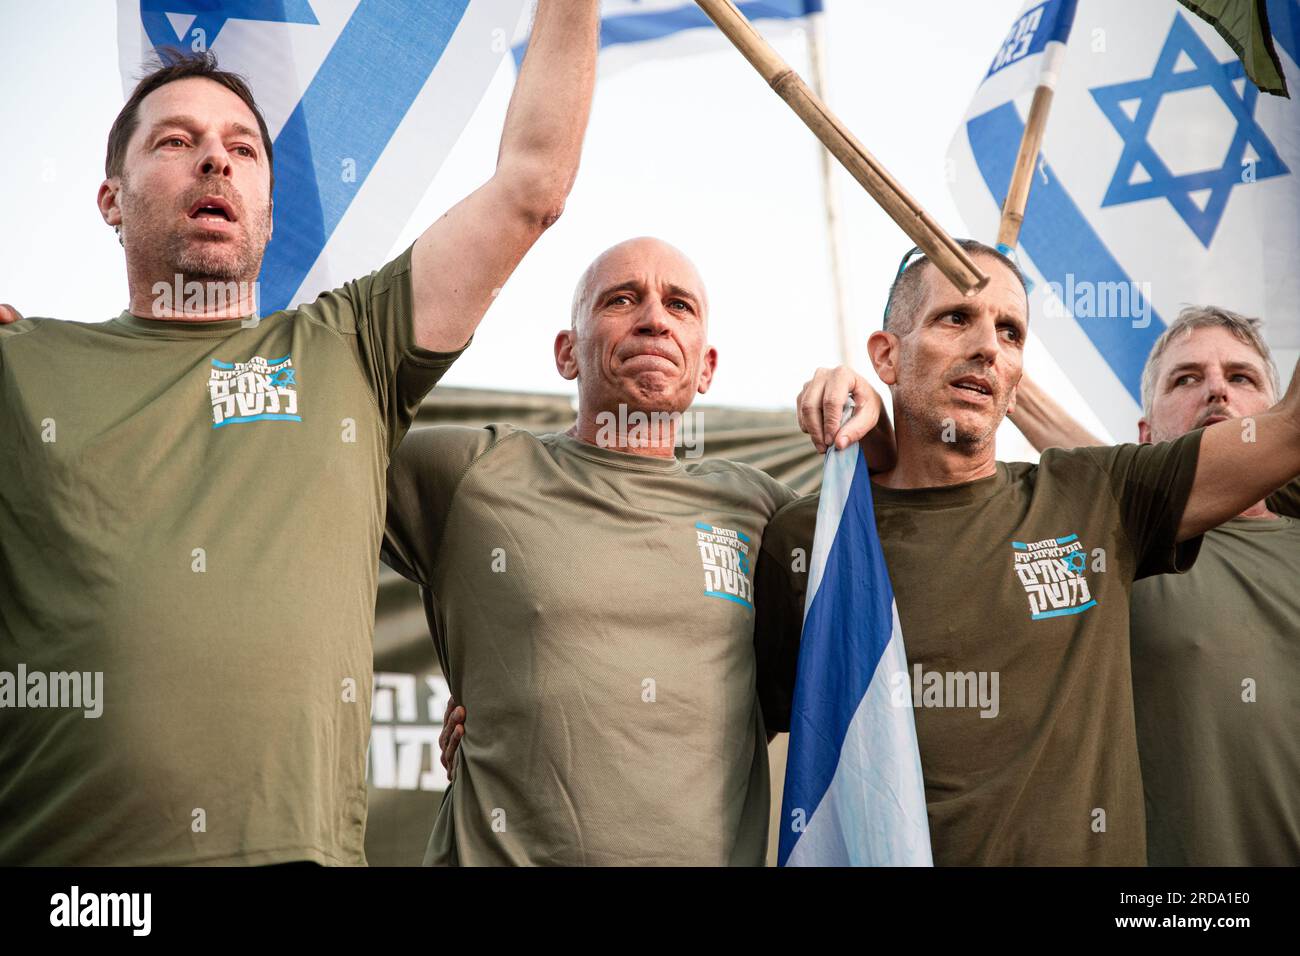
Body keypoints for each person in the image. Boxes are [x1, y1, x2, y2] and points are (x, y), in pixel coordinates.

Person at [0, 0, 599, 866]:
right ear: (110, 199)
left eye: (243, 149)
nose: (215, 157)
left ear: (270, 214)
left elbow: (531, 186)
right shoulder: (24, 366)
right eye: (174, 141)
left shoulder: (352, 347)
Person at [753, 240, 1300, 865]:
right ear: (886, 354)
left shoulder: (1096, 497)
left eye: (1010, 332)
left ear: (1017, 376)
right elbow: (726, 748)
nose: (988, 345)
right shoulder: (813, 540)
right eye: (956, 317)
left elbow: (1288, 432)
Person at [382, 236, 893, 865]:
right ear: (567, 353)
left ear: (705, 367)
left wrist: (879, 435)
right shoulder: (467, 473)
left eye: (679, 306)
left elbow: (903, 561)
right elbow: (292, 462)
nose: (653, 318)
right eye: (621, 300)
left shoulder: (766, 515)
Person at [1010, 307, 1299, 865]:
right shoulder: (1112, 556)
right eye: (1185, 379)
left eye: (1242, 377)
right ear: (1144, 438)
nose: (1217, 390)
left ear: (1280, 414)